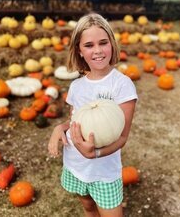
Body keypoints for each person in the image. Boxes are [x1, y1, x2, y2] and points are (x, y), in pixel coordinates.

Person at [48, 13, 138, 217]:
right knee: (88, 206)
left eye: (103, 43)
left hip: (103, 171)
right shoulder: (77, 86)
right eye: (89, 45)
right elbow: (74, 122)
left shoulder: (121, 85)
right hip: (75, 164)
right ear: (79, 50)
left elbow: (122, 137)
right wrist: (59, 128)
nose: (97, 51)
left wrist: (95, 153)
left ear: (112, 45)